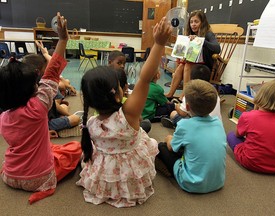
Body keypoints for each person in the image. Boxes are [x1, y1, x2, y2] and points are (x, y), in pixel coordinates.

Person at [76, 17, 172, 208]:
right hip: (130, 171)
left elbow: (144, 79)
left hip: (107, 173)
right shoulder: (128, 115)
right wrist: (159, 43)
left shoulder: (90, 123)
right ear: (118, 94)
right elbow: (145, 78)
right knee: (150, 141)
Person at [0, 12, 82, 204]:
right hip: (39, 179)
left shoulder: (3, 116)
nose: (39, 85)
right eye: (35, 84)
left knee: (51, 147)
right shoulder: (37, 107)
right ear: (31, 89)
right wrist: (63, 39)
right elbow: (52, 71)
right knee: (74, 149)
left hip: (10, 175)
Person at [156, 79, 227, 193]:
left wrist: (169, 139)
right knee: (190, 147)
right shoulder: (218, 123)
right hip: (218, 182)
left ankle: (174, 170)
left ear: (187, 107)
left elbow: (171, 147)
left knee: (162, 147)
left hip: (191, 184)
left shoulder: (184, 125)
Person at [227, 80, 275, 174]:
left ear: (260, 95)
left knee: (231, 136)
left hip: (251, 162)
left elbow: (238, 135)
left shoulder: (248, 116)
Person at [165, 10, 221, 99]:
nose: (193, 24)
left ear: (202, 23)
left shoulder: (208, 34)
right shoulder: (190, 35)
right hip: (193, 64)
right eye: (191, 22)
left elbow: (217, 49)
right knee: (181, 67)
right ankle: (170, 94)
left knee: (187, 65)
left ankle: (184, 96)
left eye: (196, 21)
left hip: (205, 68)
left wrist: (201, 40)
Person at [32, 41, 82, 138]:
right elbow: (54, 65)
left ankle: (58, 119)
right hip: (44, 123)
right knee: (75, 118)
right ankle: (53, 126)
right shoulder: (42, 89)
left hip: (46, 116)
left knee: (63, 106)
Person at [161, 64, 222, 128]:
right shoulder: (214, 93)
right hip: (216, 126)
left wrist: (176, 106)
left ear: (191, 79)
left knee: (173, 113)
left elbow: (182, 113)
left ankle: (177, 124)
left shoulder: (191, 92)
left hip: (198, 128)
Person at [109, 50, 152, 133]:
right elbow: (139, 118)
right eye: (119, 63)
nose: (122, 66)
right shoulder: (126, 102)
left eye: (124, 64)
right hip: (124, 129)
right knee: (146, 123)